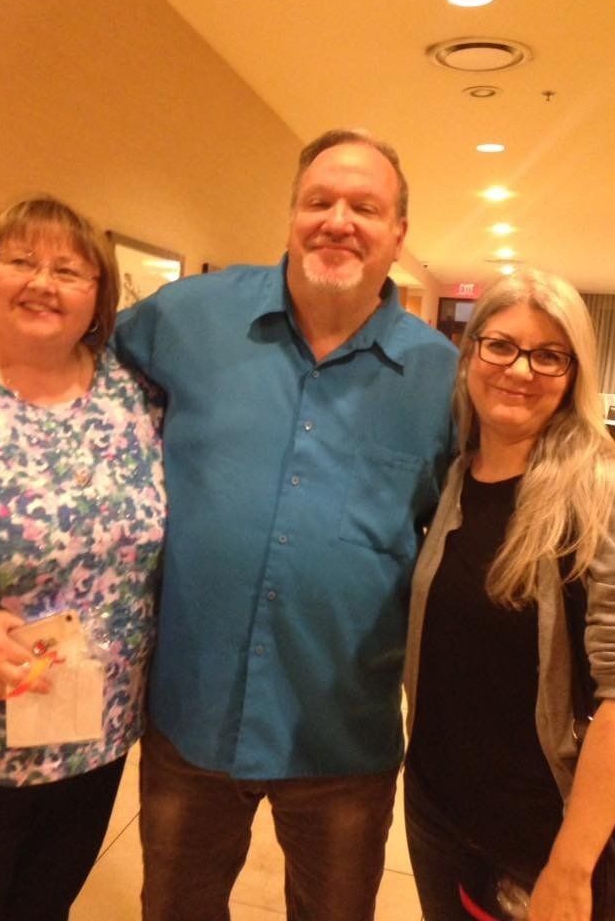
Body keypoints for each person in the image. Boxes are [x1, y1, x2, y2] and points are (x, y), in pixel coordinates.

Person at [114, 128, 457, 920]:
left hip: (342, 736)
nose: (338, 221)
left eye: (364, 207)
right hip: (193, 716)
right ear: (292, 213)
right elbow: (73, 370)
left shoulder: (442, 378)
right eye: (319, 201)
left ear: (398, 233)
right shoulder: (188, 317)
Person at [0, 196, 166, 921]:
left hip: (94, 738)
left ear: (99, 298)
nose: (42, 283)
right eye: (21, 260)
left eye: (68, 270)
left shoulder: (133, 395)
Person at [402, 271, 615, 920]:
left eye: (549, 355)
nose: (520, 369)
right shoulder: (457, 475)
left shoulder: (603, 491)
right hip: (437, 813)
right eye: (501, 345)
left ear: (573, 373)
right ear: (471, 353)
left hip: (540, 839)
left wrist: (571, 865)